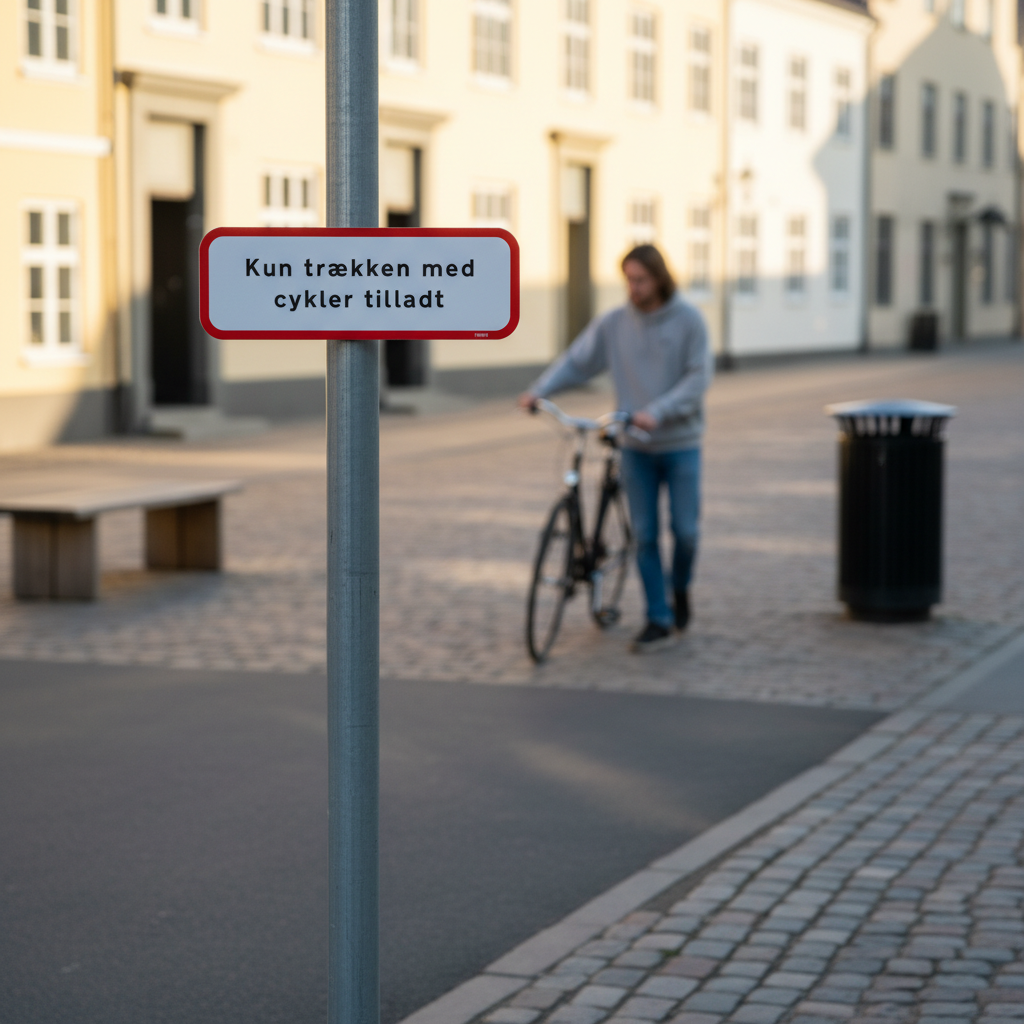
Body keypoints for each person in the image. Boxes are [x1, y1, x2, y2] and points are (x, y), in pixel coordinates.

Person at [519, 244, 712, 654]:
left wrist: (658, 411)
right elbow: (578, 360)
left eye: (640, 279)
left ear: (659, 278)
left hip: (680, 444)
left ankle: (680, 588)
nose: (633, 287)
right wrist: (539, 390)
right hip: (633, 448)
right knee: (643, 535)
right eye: (628, 279)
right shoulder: (615, 323)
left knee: (686, 532)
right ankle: (658, 617)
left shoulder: (689, 320)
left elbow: (698, 378)